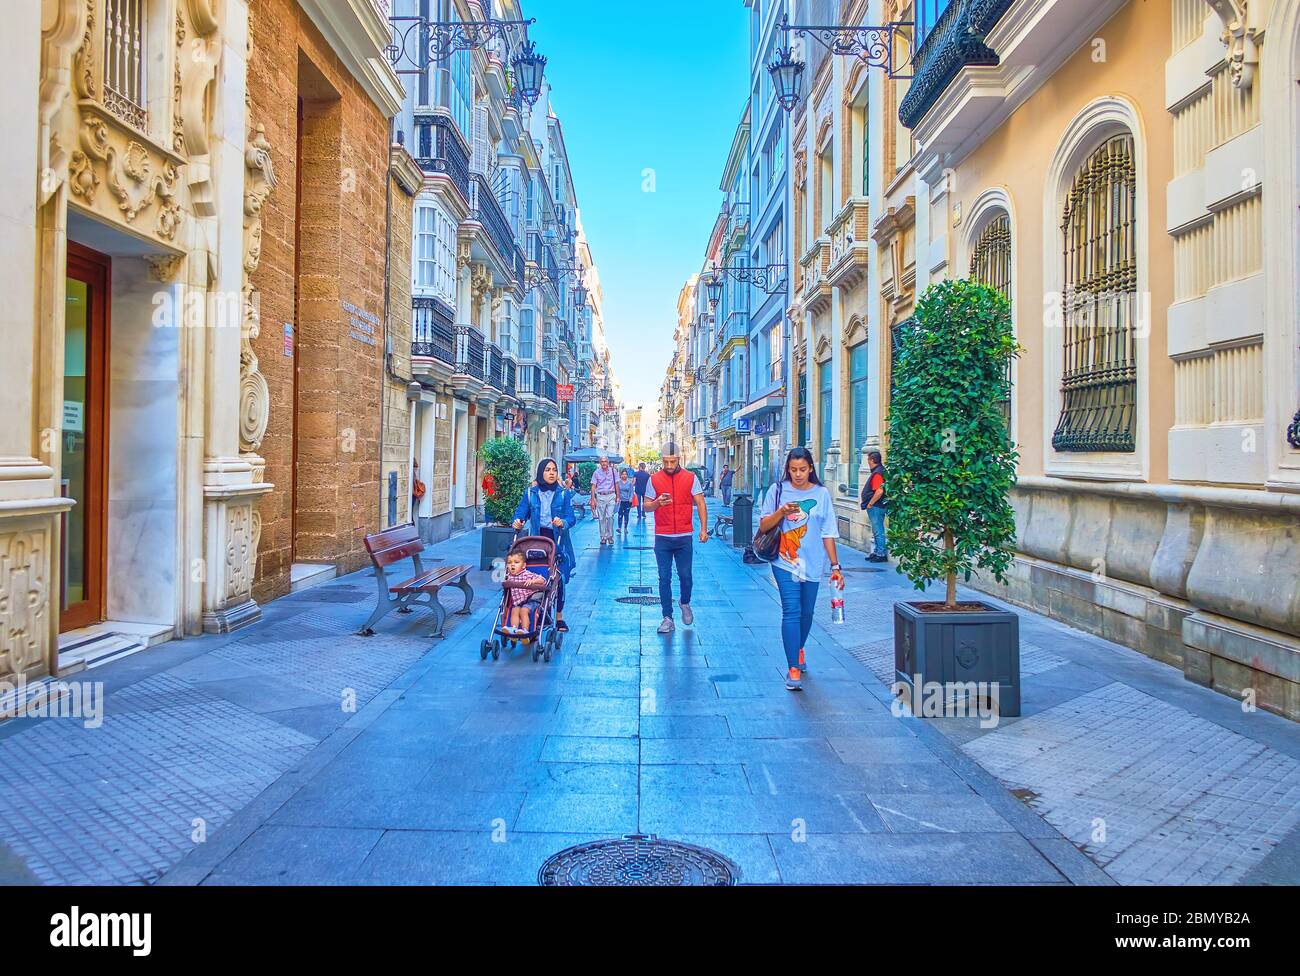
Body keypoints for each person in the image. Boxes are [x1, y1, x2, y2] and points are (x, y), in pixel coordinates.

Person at [757, 448, 845, 691]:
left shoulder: (821, 494)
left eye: (802, 469)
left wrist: (836, 566)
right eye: (793, 470)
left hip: (814, 563)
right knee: (792, 611)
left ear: (811, 469)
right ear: (788, 469)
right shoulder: (777, 491)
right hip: (785, 562)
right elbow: (764, 525)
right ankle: (793, 667)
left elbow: (828, 532)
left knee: (807, 613)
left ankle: (799, 648)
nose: (798, 474)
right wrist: (781, 512)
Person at [641, 442, 708, 633]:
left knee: (686, 576)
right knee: (664, 577)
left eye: (673, 461)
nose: (669, 466)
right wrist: (657, 503)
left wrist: (703, 529)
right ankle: (667, 617)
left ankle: (685, 602)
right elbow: (645, 506)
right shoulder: (654, 479)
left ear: (679, 459)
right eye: (666, 462)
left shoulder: (690, 478)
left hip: (684, 536)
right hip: (662, 536)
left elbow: (700, 503)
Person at [511, 458, 576, 631]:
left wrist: (563, 522)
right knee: (535, 577)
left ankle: (559, 617)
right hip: (536, 540)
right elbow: (521, 512)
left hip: (557, 540)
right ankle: (537, 612)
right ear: (541, 472)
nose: (552, 473)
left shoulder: (563, 493)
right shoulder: (531, 493)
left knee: (558, 578)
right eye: (547, 470)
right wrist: (517, 522)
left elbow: (571, 517)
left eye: (554, 469)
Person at [502, 551, 547, 635]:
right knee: (514, 611)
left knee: (524, 611)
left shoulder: (526, 574)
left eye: (516, 562)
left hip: (531, 599)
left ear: (523, 565)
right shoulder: (509, 577)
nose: (512, 565)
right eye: (509, 563)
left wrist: (533, 581)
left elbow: (543, 580)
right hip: (519, 602)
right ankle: (514, 629)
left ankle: (525, 630)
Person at [860, 450, 888, 563]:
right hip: (877, 506)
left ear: (872, 460)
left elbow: (879, 491)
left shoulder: (877, 473)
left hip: (876, 506)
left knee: (878, 530)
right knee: (876, 530)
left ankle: (881, 554)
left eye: (868, 460)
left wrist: (870, 503)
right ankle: (877, 551)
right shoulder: (879, 471)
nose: (868, 462)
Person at [591, 454, 618, 545]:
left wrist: (618, 496)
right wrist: (592, 499)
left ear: (608, 462)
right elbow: (593, 486)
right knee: (601, 518)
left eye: (605, 461)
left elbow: (617, 484)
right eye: (602, 461)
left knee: (610, 516)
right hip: (600, 496)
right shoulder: (596, 472)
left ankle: (610, 536)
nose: (604, 463)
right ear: (600, 463)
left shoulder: (614, 471)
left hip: (611, 495)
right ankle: (603, 536)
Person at [616, 468, 636, 535]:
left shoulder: (629, 483)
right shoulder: (618, 483)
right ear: (621, 475)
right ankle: (619, 527)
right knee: (620, 514)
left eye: (625, 474)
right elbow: (617, 491)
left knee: (626, 514)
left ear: (627, 475)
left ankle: (625, 528)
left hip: (627, 501)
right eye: (623, 474)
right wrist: (617, 498)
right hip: (621, 501)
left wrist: (631, 498)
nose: (624, 476)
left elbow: (631, 491)